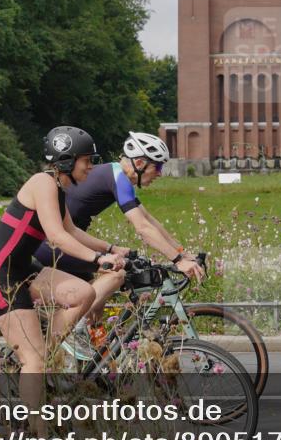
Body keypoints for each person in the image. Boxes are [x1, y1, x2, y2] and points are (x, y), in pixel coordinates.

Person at [0, 126, 125, 436]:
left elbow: (73, 231)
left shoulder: (58, 187)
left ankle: (47, 350)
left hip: (21, 268)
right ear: (66, 161)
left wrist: (111, 249)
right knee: (33, 359)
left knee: (82, 293)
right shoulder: (42, 183)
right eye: (86, 161)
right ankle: (38, 435)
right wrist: (96, 260)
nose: (91, 167)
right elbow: (56, 237)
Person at [34, 131, 206, 332]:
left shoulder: (116, 175)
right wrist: (178, 261)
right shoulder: (118, 177)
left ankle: (88, 348)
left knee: (99, 299)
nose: (160, 173)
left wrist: (181, 252)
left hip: (67, 242)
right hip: (51, 244)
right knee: (118, 274)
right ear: (140, 164)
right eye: (158, 166)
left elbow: (149, 220)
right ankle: (60, 332)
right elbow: (142, 228)